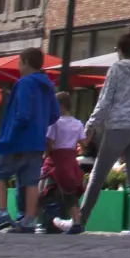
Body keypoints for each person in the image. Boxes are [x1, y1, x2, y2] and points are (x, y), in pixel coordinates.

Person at [57, 30, 130, 235]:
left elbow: (105, 101)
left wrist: (90, 126)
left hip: (119, 126)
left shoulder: (116, 69)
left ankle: (79, 222)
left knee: (98, 175)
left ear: (120, 50)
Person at [0, 49, 59, 234]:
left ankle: (2, 213)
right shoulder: (48, 85)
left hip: (17, 139)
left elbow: (23, 114)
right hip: (36, 141)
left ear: (25, 62)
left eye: (19, 62)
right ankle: (28, 221)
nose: (18, 66)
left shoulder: (24, 83)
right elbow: (54, 114)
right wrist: (39, 125)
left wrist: (10, 136)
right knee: (31, 181)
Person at [38, 91, 85, 226]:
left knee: (43, 189)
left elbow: (49, 143)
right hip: (70, 160)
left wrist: (45, 155)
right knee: (70, 191)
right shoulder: (78, 123)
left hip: (55, 159)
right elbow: (84, 142)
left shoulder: (55, 123)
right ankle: (77, 222)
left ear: (62, 106)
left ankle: (41, 221)